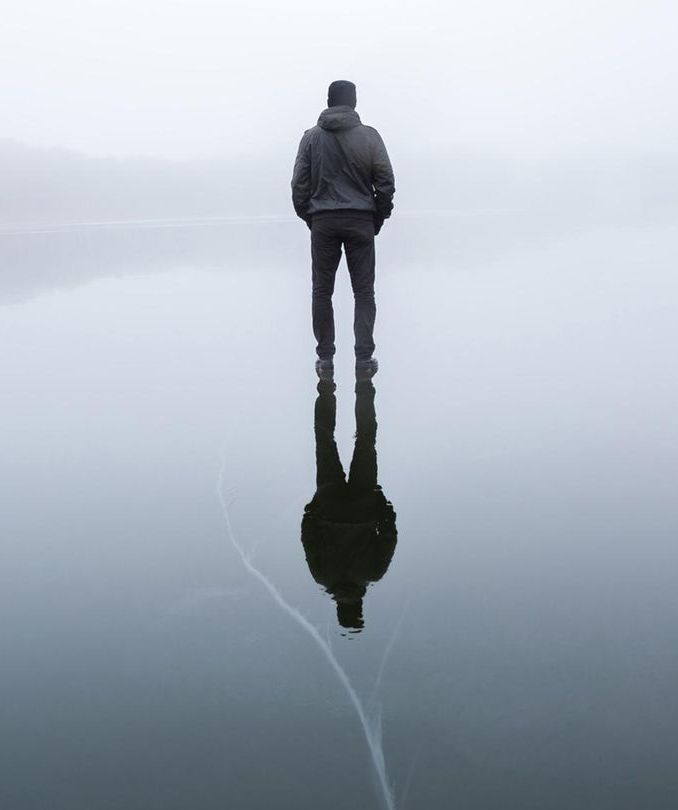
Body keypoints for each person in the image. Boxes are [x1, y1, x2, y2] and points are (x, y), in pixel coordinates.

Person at [291, 80, 395, 379]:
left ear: (328, 100)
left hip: (323, 222)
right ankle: (364, 360)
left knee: (322, 291)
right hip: (361, 220)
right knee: (363, 292)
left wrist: (311, 217)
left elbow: (299, 184)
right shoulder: (370, 137)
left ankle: (325, 360)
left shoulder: (310, 139)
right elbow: (385, 180)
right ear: (354, 102)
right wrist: (378, 216)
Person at [301, 378, 398, 633]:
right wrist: (312, 508)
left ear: (360, 606)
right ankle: (326, 385)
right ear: (338, 608)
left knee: (366, 441)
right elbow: (308, 538)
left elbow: (389, 537)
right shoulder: (322, 577)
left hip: (364, 505)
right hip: (330, 504)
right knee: (324, 441)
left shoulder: (373, 573)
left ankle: (364, 385)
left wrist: (382, 506)